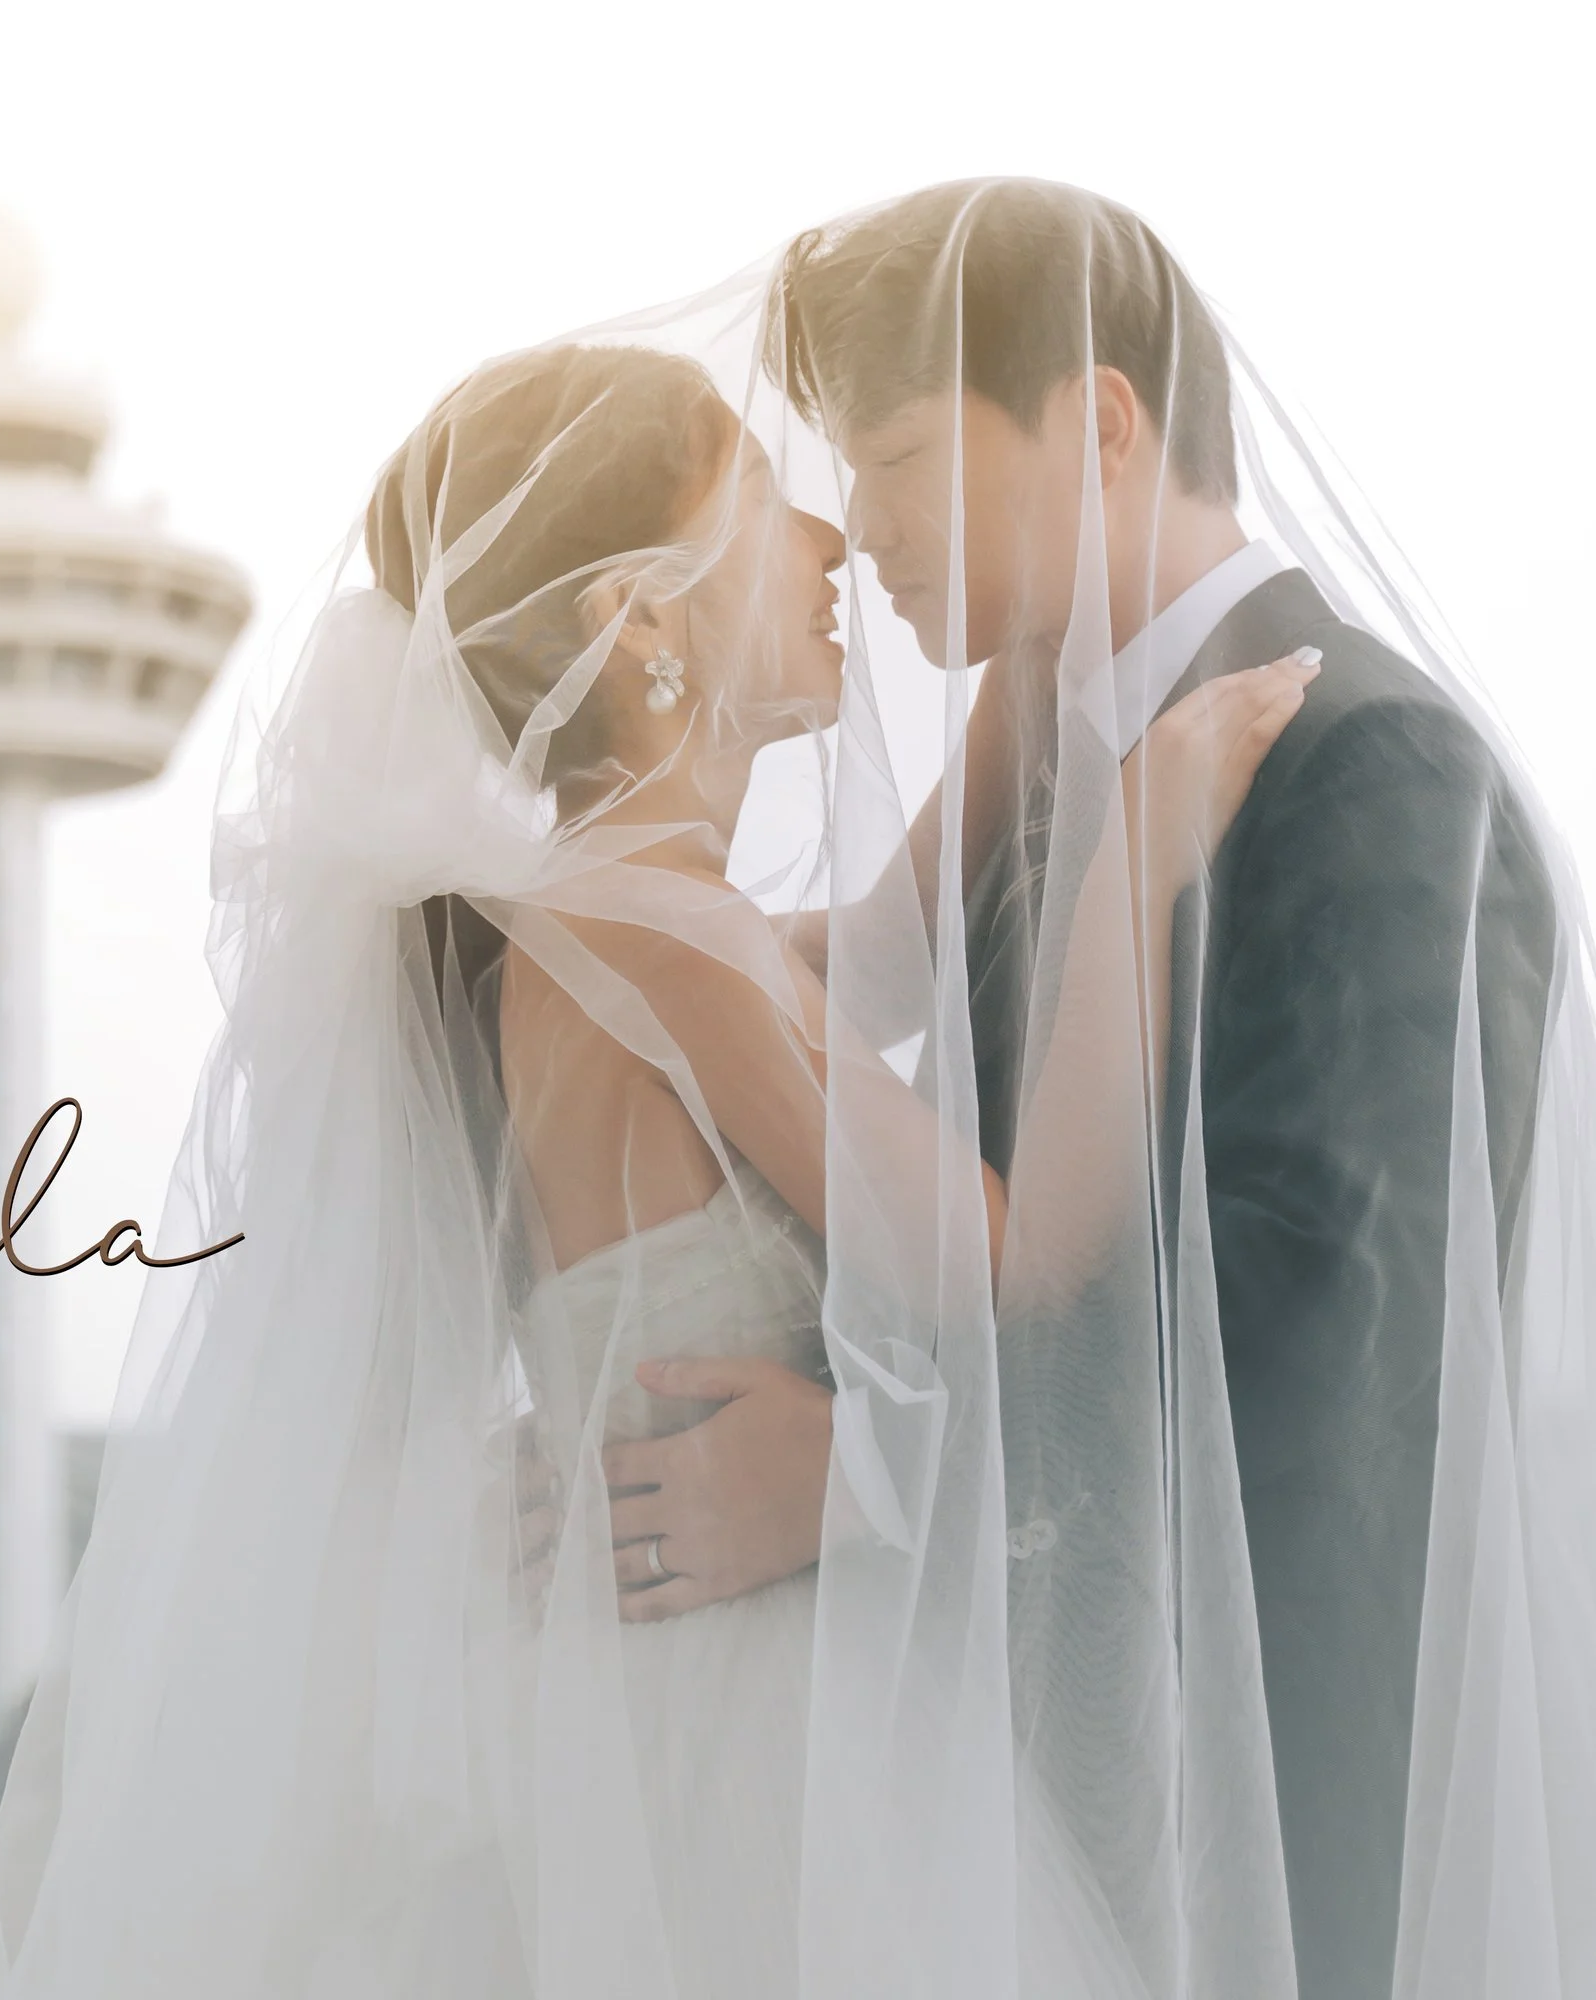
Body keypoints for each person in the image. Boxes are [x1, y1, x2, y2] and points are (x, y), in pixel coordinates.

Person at [0, 321, 1317, 1996]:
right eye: (766, 503)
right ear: (642, 625)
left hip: (645, 1698)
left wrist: (1027, 659)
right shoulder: (675, 945)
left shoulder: (601, 922)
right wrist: (1137, 865)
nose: (831, 542)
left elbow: (882, 946)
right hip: (761, 1731)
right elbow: (1019, 1261)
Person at [621, 179, 1586, 1996]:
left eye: (898, 455)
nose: (861, 530)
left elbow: (1313, 1349)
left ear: (1105, 417)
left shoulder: (1367, 769)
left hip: (1258, 1850)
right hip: (1024, 1809)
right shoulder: (1047, 758)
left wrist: (858, 1476)